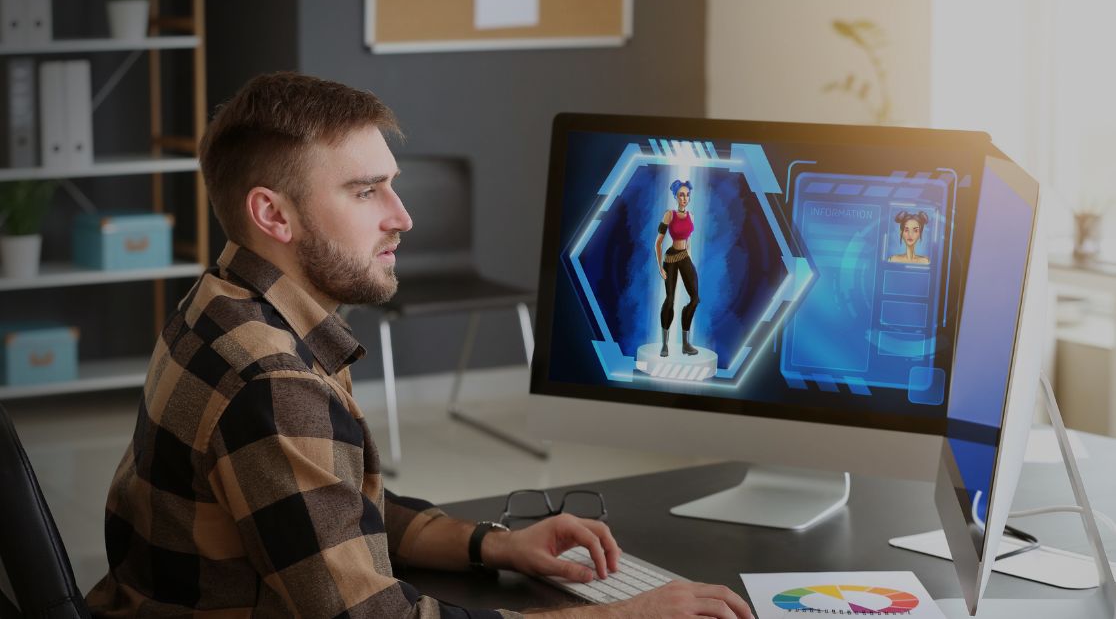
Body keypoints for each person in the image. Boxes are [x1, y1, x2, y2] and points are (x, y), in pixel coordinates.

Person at [84, 72, 752, 619]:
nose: (402, 216)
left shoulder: (221, 304)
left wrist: (495, 545)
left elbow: (333, 512)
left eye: (392, 184)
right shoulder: (272, 380)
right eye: (365, 190)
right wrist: (621, 614)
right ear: (272, 215)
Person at [654, 179, 701, 357]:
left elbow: (689, 242)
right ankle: (665, 344)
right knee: (670, 299)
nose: (684, 198)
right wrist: (660, 267)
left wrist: (690, 260)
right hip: (670, 258)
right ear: (675, 196)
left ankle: (686, 344)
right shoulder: (669, 214)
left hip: (685, 257)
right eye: (681, 195)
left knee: (695, 299)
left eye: (687, 195)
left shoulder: (692, 216)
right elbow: (658, 242)